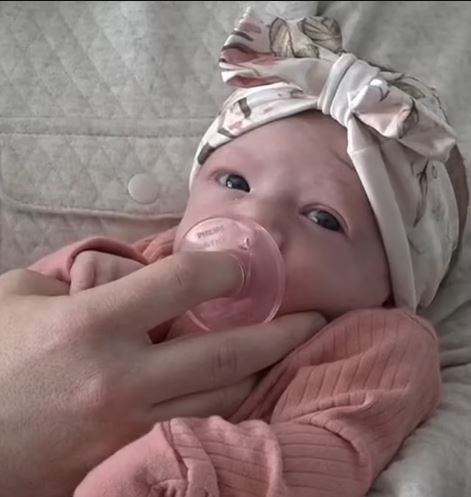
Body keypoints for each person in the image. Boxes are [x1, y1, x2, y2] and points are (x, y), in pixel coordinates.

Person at [22, 8, 468, 497]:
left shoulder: (378, 344)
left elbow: (331, 453)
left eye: (322, 218)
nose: (257, 217)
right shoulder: (164, 258)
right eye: (234, 182)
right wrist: (83, 271)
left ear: (392, 287)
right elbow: (34, 331)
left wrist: (180, 465)